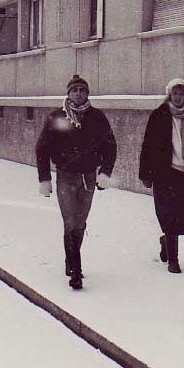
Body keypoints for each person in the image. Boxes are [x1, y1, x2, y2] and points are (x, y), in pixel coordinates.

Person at [35, 75, 117, 290]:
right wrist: (45, 178)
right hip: (65, 176)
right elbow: (42, 149)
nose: (78, 93)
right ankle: (76, 271)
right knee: (70, 222)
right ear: (68, 93)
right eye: (74, 90)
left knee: (80, 223)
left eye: (82, 90)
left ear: (87, 93)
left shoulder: (97, 117)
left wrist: (105, 172)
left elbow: (110, 146)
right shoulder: (57, 117)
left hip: (89, 176)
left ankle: (70, 259)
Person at [139, 78, 184, 274]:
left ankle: (166, 241)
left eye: (182, 94)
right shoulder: (159, 115)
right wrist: (146, 174)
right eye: (175, 93)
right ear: (169, 95)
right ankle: (173, 260)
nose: (178, 98)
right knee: (169, 216)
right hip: (165, 173)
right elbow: (148, 145)